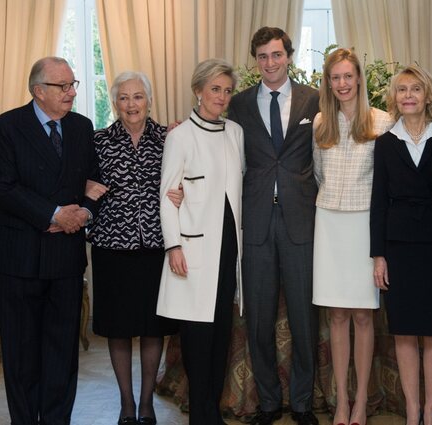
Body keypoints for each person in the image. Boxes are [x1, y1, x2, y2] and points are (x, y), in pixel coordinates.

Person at [0, 56, 104, 424]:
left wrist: (82, 213)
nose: (71, 92)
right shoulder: (5, 126)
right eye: (63, 86)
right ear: (39, 91)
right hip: (19, 257)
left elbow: (96, 182)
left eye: (73, 85)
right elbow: (5, 188)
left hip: (65, 256)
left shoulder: (83, 127)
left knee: (62, 350)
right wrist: (55, 214)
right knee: (21, 352)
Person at [227, 27, 320, 425]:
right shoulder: (240, 104)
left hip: (302, 222)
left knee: (304, 319)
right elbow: (219, 143)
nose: (270, 63)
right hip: (257, 224)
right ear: (255, 60)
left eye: (277, 55)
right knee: (259, 320)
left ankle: (301, 402)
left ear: (289, 56)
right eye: (262, 56)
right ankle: (268, 401)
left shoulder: (314, 100)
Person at [87, 71, 179, 424]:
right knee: (119, 327)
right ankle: (127, 404)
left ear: (149, 100)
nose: (131, 104)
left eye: (138, 97)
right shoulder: (98, 141)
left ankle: (146, 403)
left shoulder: (169, 138)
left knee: (154, 327)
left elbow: (184, 179)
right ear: (114, 103)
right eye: (123, 98)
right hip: (113, 248)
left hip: (157, 246)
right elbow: (79, 179)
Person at [157, 58, 245, 425]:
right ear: (198, 91)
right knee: (196, 336)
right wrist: (173, 245)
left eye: (226, 91)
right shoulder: (179, 137)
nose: (221, 97)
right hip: (192, 252)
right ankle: (201, 415)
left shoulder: (235, 132)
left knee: (221, 333)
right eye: (214, 89)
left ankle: (212, 410)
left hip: (228, 249)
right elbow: (167, 195)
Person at [312, 47, 394, 425]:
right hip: (328, 224)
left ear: (359, 78)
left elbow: (388, 183)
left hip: (364, 226)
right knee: (337, 315)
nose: (342, 84)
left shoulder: (382, 121)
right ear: (328, 83)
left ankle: (361, 400)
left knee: (363, 315)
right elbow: (317, 175)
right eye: (335, 77)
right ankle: (340, 401)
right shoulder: (319, 123)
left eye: (348, 76)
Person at [370, 64, 432, 425]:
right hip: (400, 247)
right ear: (394, 98)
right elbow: (378, 201)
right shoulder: (385, 143)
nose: (408, 95)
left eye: (415, 89)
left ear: (427, 96)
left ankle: (431, 409)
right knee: (404, 331)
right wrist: (378, 255)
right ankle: (411, 409)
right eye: (402, 89)